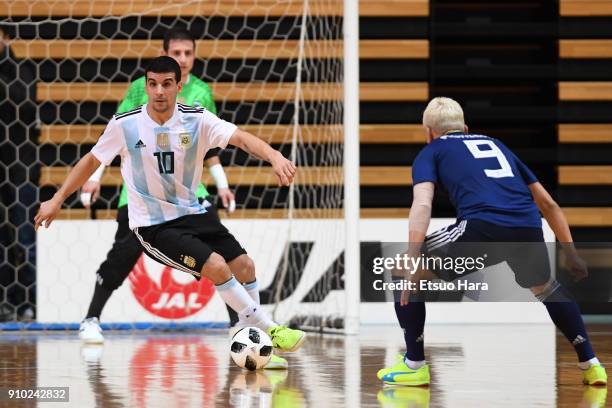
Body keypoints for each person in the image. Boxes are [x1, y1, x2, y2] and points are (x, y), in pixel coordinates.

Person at [35, 56, 304, 369]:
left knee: (245, 265)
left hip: (192, 212)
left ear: (179, 86)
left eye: (166, 84)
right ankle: (270, 329)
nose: (159, 91)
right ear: (146, 86)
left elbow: (241, 138)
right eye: (152, 84)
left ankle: (257, 349)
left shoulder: (196, 118)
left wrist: (274, 156)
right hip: (153, 226)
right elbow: (91, 162)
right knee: (216, 266)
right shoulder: (125, 124)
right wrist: (57, 199)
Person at [377, 97, 607, 386]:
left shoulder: (431, 151)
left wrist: (412, 256)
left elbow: (423, 204)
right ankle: (591, 364)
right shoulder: (497, 145)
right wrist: (571, 252)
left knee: (401, 269)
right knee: (546, 287)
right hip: (526, 224)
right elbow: (548, 204)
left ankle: (415, 364)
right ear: (465, 127)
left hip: (482, 227)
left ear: (429, 132)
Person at [78, 26, 240, 341]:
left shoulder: (202, 92)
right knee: (122, 255)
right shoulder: (143, 87)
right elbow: (114, 137)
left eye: (188, 53)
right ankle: (91, 318)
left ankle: (238, 323)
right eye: (176, 53)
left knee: (220, 253)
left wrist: (222, 184)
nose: (183, 58)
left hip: (188, 194)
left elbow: (211, 150)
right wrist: (93, 179)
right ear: (165, 54)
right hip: (140, 194)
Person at [0, 25, 38, 321]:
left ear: (6, 38)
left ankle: (29, 300)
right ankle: (7, 301)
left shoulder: (21, 70)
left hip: (19, 169)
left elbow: (23, 102)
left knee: (24, 235)